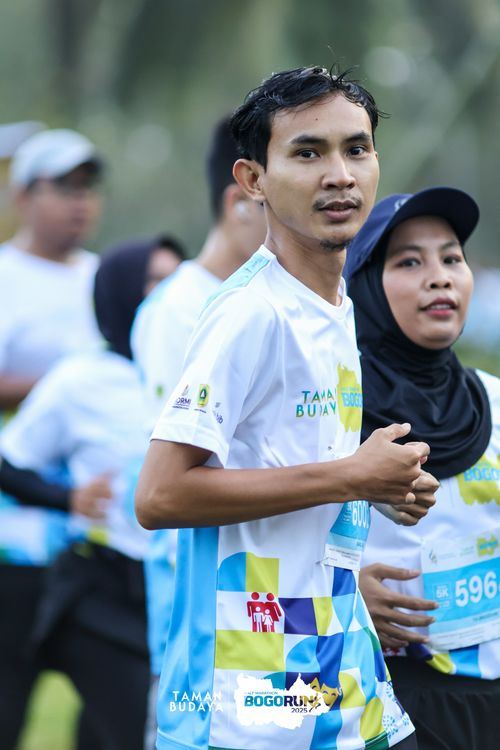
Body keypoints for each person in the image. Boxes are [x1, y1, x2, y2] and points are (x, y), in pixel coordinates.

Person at [136, 65, 438, 750]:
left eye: (356, 149)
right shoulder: (249, 312)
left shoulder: (333, 304)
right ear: (253, 181)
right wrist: (350, 475)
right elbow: (159, 496)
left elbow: (290, 469)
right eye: (307, 153)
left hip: (329, 658)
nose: (339, 175)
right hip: (247, 692)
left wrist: (378, 487)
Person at [0, 234, 185, 750]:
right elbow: (8, 463)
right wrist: (69, 499)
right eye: (153, 281)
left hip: (175, 591)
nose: (167, 294)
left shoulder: (195, 372)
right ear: (117, 292)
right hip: (101, 589)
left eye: (176, 280)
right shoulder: (80, 379)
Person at [344, 187, 500, 750]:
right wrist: (342, 597)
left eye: (451, 258)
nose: (439, 278)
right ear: (365, 285)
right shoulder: (331, 413)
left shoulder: (494, 401)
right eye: (409, 262)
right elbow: (267, 546)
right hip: (378, 696)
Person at [131, 115, 266, 750]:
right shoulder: (179, 309)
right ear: (241, 198)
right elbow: (176, 480)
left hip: (274, 601)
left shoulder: (268, 299)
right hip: (201, 604)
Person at [0, 127, 104, 748]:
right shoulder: (5, 275)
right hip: (13, 536)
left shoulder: (104, 277)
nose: (80, 201)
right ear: (23, 196)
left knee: (109, 707)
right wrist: (66, 387)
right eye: (63, 187)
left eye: (87, 187)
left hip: (92, 536)